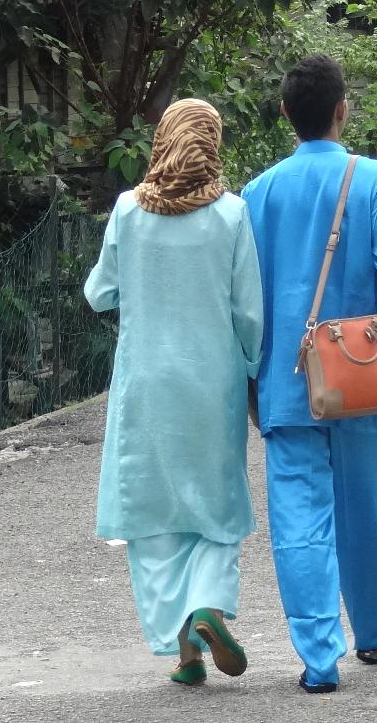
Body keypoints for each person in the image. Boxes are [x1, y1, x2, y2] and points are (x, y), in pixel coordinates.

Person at [241, 54, 377, 694]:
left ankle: (319, 659)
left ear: (285, 113)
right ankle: (376, 630)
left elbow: (246, 301)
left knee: (298, 520)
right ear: (342, 110)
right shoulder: (374, 179)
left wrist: (251, 381)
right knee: (362, 506)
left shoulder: (258, 194)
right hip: (363, 376)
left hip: (286, 380)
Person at [84, 98, 263, 687]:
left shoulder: (127, 210)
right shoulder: (232, 214)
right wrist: (254, 369)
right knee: (215, 504)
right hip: (212, 383)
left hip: (146, 384)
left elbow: (99, 293)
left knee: (155, 513)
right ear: (212, 144)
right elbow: (248, 312)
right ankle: (208, 608)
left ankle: (185, 653)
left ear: (161, 141)